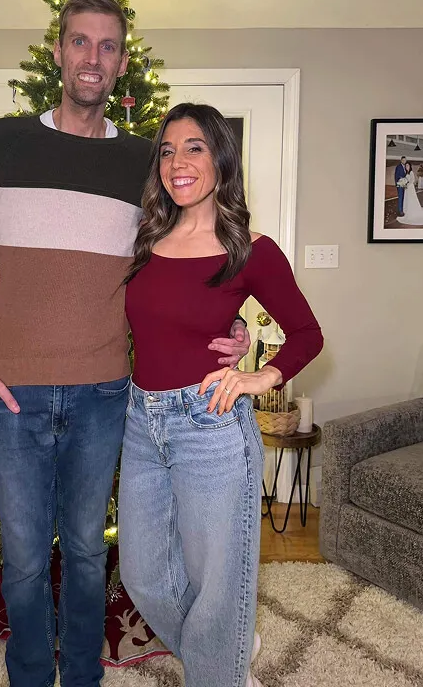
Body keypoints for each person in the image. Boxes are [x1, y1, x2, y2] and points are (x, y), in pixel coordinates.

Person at [0, 0, 250, 687]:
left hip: (102, 392)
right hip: (12, 392)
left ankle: (83, 676)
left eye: (108, 46)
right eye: (80, 42)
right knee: (26, 558)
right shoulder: (5, 143)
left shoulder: (144, 162)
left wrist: (228, 321)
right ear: (59, 51)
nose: (93, 57)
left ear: (120, 64)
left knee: (88, 553)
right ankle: (31, 676)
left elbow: (183, 252)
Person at [118, 103, 324, 687]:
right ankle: (230, 652)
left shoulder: (251, 249)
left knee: (218, 582)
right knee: (142, 575)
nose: (177, 162)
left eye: (194, 148)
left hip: (209, 424)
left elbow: (307, 334)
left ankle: (222, 669)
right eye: (167, 151)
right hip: (141, 420)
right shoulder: (146, 238)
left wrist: (258, 376)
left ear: (221, 160)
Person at [397, 161, 423, 225]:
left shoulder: (411, 172)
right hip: (407, 189)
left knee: (411, 200)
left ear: (410, 166)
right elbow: (406, 180)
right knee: (407, 199)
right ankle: (407, 211)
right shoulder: (406, 173)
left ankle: (412, 212)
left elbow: (412, 180)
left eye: (408, 165)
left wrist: (407, 185)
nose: (407, 167)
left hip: (410, 188)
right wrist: (403, 183)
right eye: (406, 166)